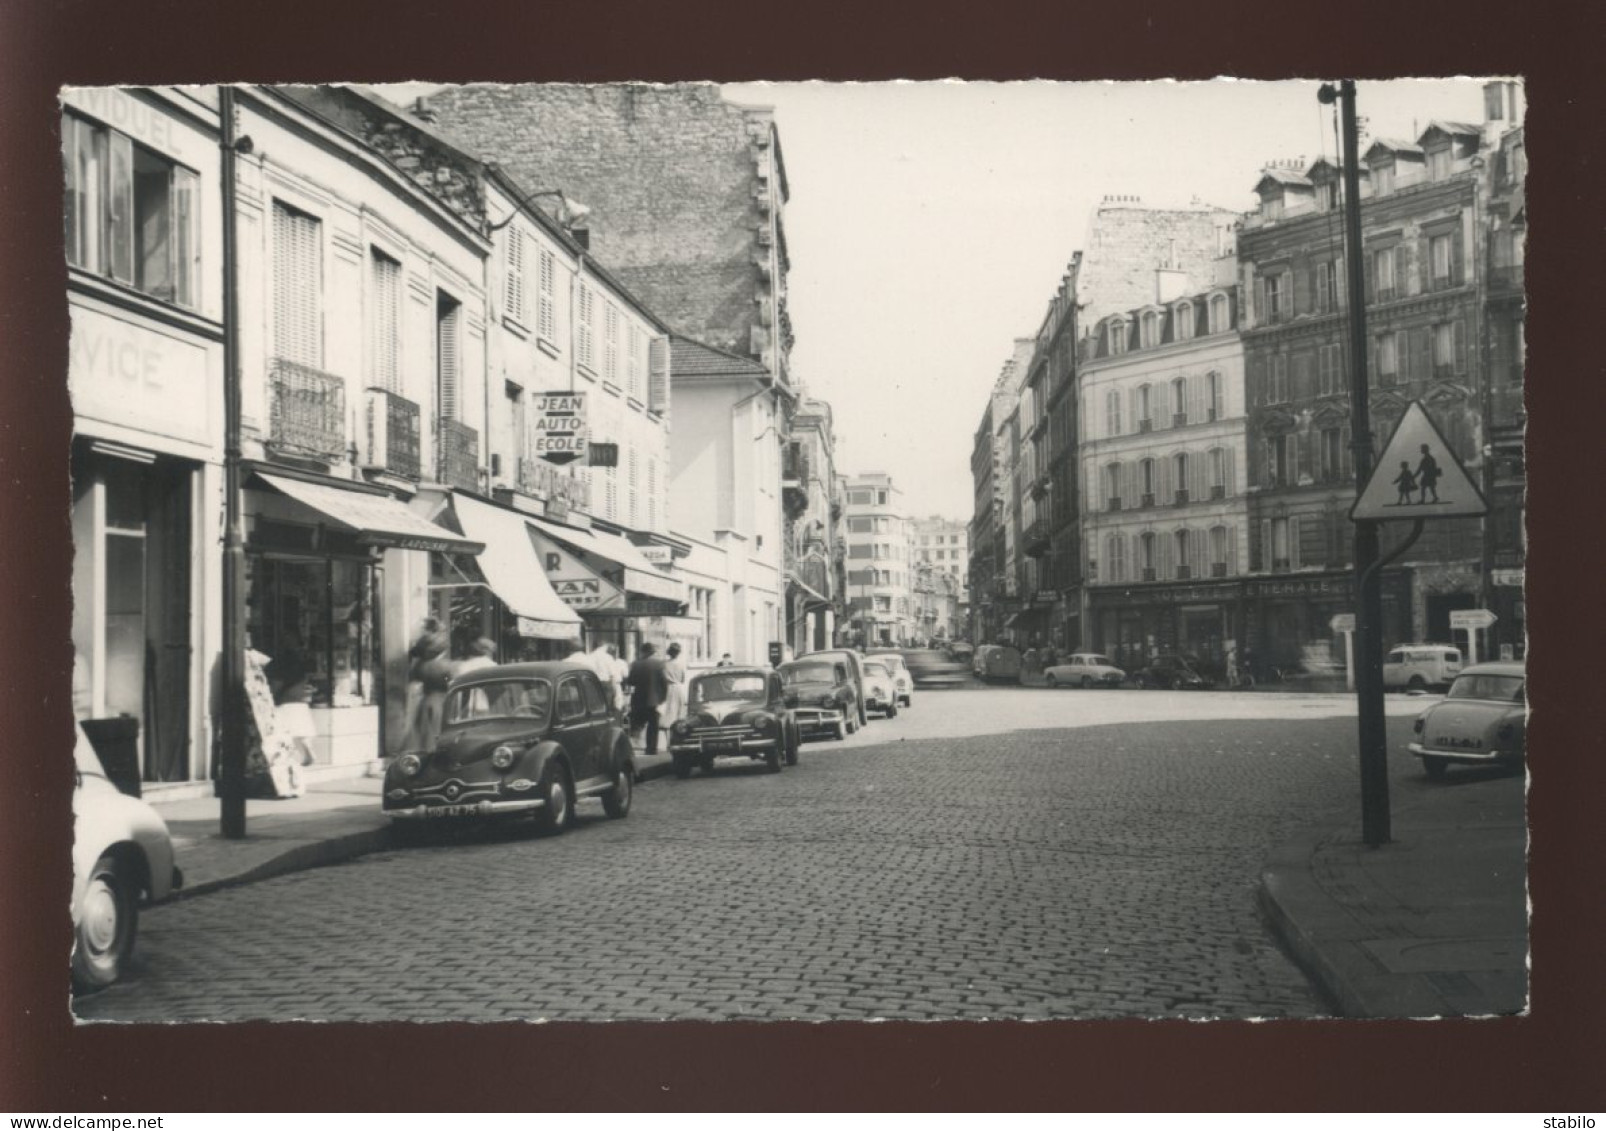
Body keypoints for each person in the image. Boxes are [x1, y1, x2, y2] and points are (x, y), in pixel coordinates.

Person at [407, 619, 452, 754]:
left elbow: (413, 683)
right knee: (437, 734)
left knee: (423, 734)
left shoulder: (420, 666)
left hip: (425, 701)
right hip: (441, 701)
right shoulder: (446, 666)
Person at [627, 643, 669, 756]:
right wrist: (663, 698)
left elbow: (630, 681)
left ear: (643, 651)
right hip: (654, 700)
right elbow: (663, 682)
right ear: (652, 652)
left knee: (637, 723)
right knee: (653, 725)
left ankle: (634, 747)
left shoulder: (636, 664)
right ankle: (651, 749)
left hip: (639, 699)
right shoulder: (659, 664)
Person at [661, 642, 688, 727]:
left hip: (667, 687)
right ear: (678, 653)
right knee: (679, 708)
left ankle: (668, 726)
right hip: (678, 687)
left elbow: (661, 678)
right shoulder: (682, 664)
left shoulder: (664, 664)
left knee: (669, 708)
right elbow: (683, 679)